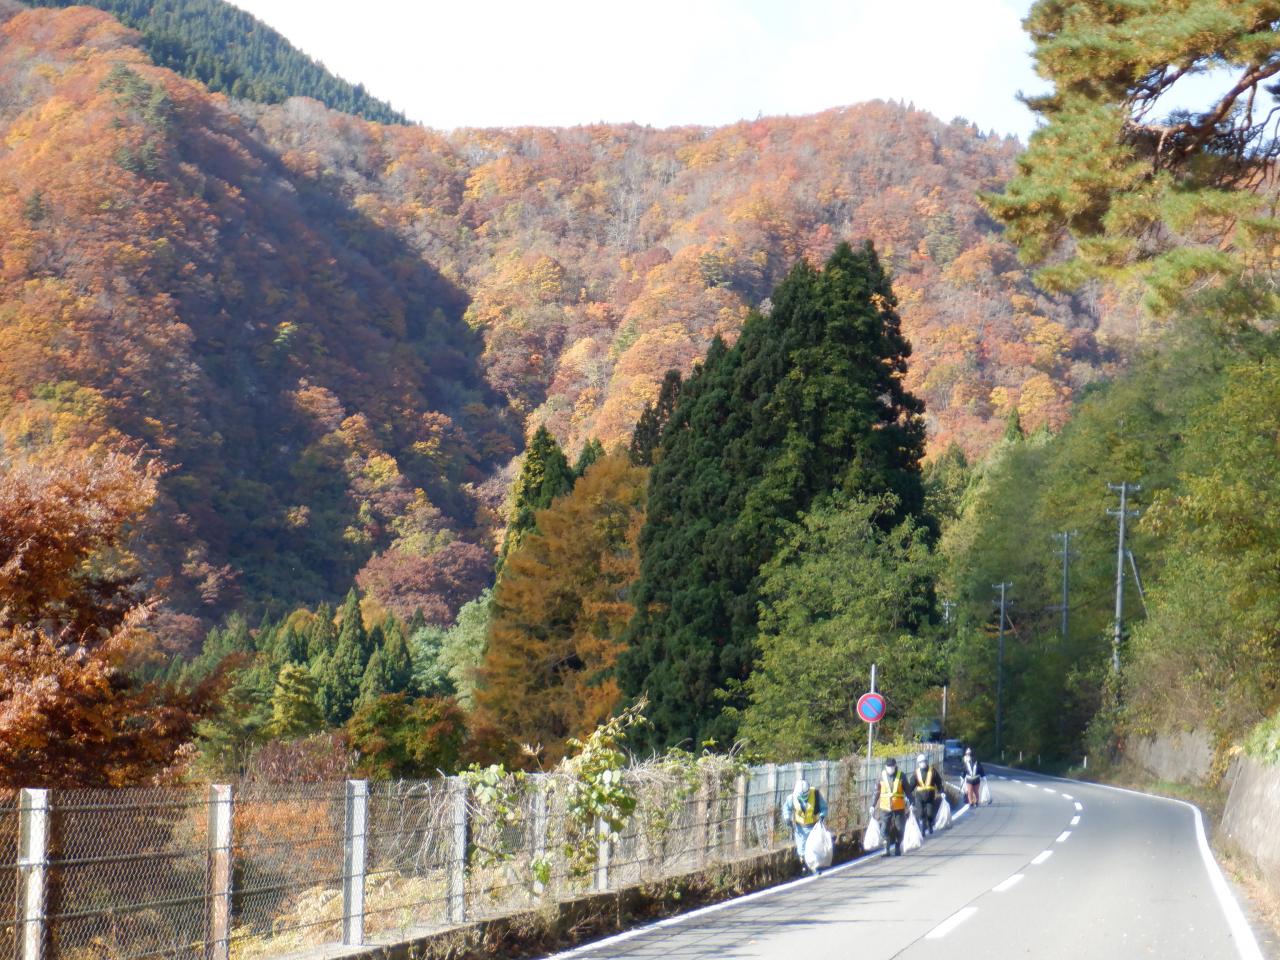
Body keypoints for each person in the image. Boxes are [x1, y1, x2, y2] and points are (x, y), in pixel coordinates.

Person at [782, 778, 828, 872]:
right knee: (801, 848)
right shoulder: (792, 798)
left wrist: (822, 816)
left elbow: (824, 807)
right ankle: (804, 866)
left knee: (814, 847)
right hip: (800, 828)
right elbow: (786, 809)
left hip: (814, 827)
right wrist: (787, 818)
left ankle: (815, 865)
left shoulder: (815, 795)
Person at [871, 757, 912, 856]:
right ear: (885, 767)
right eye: (888, 767)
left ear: (895, 766)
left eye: (892, 767)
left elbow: (908, 790)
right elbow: (876, 792)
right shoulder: (881, 776)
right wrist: (872, 805)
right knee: (884, 828)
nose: (890, 769)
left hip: (899, 807)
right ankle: (886, 849)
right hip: (885, 807)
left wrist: (911, 802)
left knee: (899, 827)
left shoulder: (901, 776)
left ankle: (898, 847)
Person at [909, 753, 943, 835]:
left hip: (930, 796)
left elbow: (938, 781)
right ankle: (922, 830)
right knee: (920, 813)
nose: (922, 763)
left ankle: (930, 824)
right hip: (919, 796)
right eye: (920, 762)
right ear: (918, 763)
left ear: (926, 762)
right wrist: (908, 794)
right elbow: (912, 784)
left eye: (923, 761)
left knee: (929, 813)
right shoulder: (916, 773)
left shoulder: (932, 771)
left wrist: (941, 791)